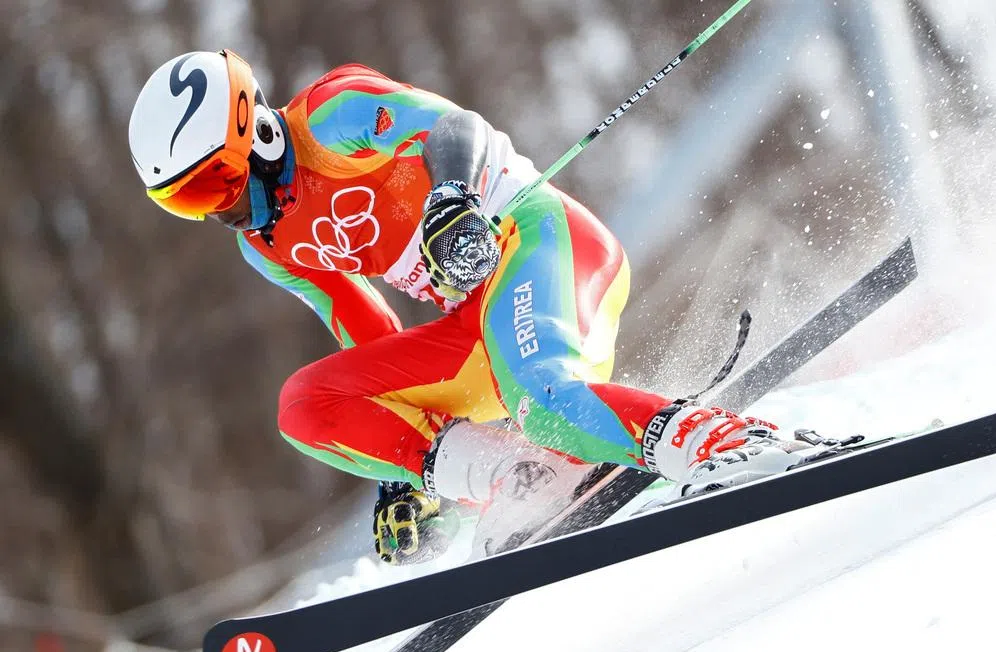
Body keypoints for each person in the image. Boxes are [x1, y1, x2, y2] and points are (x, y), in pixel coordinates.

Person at [127, 49, 821, 564]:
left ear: (252, 130)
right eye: (185, 202)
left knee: (543, 401)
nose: (215, 209)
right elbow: (363, 330)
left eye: (214, 181)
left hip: (540, 242)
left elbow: (450, 126)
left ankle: (729, 444)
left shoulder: (331, 116)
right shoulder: (265, 245)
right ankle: (523, 480)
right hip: (478, 329)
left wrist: (451, 197)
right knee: (306, 406)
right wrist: (405, 466)